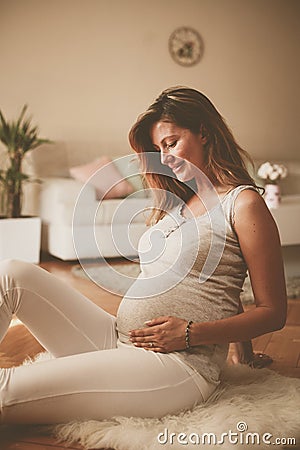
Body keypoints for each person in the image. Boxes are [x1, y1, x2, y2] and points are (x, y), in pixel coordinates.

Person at [0, 87, 287, 425]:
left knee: (6, 390)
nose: (163, 157)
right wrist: (244, 352)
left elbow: (273, 313)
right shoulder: (177, 203)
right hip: (117, 340)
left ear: (205, 133)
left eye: (171, 143)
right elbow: (218, 287)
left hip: (175, 365)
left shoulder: (243, 204)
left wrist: (191, 334)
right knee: (13, 273)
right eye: (157, 149)